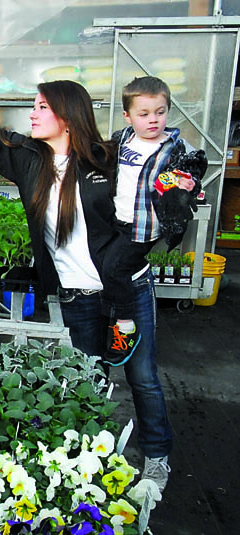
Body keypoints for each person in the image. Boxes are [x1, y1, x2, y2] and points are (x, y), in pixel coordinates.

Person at [0, 79, 173, 492]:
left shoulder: (107, 159)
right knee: (89, 376)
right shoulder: (28, 159)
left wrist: (178, 193)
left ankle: (157, 459)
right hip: (75, 296)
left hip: (127, 290)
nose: (32, 113)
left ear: (66, 116)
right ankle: (92, 455)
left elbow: (150, 195)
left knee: (143, 377)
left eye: (41, 106)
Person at [103, 76, 206, 366]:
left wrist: (190, 185)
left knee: (115, 268)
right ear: (128, 115)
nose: (153, 120)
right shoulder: (122, 139)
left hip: (143, 227)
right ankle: (112, 316)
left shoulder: (174, 148)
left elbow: (192, 174)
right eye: (144, 114)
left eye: (160, 112)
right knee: (106, 265)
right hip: (116, 220)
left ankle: (125, 327)